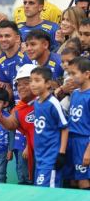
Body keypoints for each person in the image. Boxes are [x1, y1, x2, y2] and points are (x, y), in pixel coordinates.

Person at [29, 66, 68, 187]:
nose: (33, 84)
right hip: (40, 157)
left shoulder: (53, 103)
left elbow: (65, 128)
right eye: (31, 81)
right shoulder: (36, 102)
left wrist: (61, 153)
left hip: (51, 157)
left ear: (48, 83)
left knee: (49, 194)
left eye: (37, 80)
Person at [66, 57, 90, 189]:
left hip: (84, 143)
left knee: (83, 181)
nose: (71, 77)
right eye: (69, 74)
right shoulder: (74, 93)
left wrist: (88, 151)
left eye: (74, 73)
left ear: (87, 74)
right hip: (71, 142)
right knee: (73, 180)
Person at [0, 21, 25, 101]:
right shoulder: (1, 60)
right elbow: (9, 88)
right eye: (0, 36)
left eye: (7, 36)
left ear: (17, 38)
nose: (3, 39)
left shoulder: (27, 55)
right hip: (17, 106)